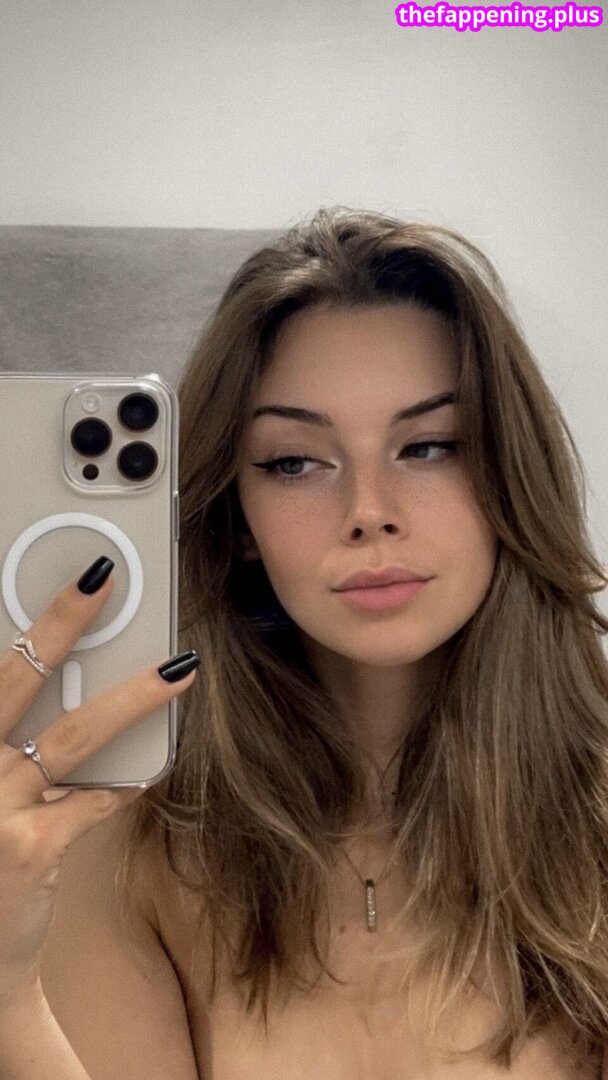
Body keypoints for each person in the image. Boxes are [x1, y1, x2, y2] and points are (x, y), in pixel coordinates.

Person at [1, 207, 607, 1079]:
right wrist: (6, 992)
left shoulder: (592, 826)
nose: (369, 512)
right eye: (295, 462)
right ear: (238, 519)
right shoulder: (134, 849)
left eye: (429, 446)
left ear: (510, 473)